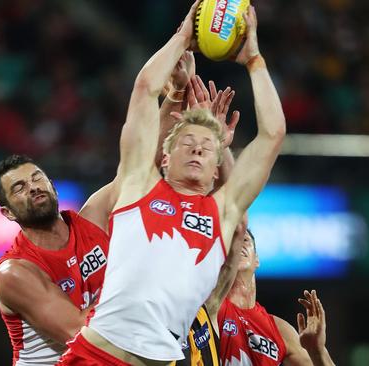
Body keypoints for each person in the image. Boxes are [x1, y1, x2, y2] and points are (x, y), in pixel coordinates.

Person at [60, 1, 287, 364]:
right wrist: (183, 37)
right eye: (187, 143)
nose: (197, 150)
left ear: (217, 168)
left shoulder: (223, 211)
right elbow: (145, 89)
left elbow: (273, 135)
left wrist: (254, 61)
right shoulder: (138, 182)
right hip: (96, 354)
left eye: (207, 148)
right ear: (165, 157)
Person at [0, 155, 110, 365]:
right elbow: (79, 333)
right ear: (8, 212)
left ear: (53, 187)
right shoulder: (14, 271)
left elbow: (136, 173)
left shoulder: (93, 219)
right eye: (19, 187)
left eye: (37, 178)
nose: (33, 187)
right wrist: (134, 278)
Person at [215, 229, 336, 366]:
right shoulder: (210, 308)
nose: (238, 244)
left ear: (257, 260)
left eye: (245, 240)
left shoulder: (280, 330)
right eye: (232, 242)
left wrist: (317, 350)